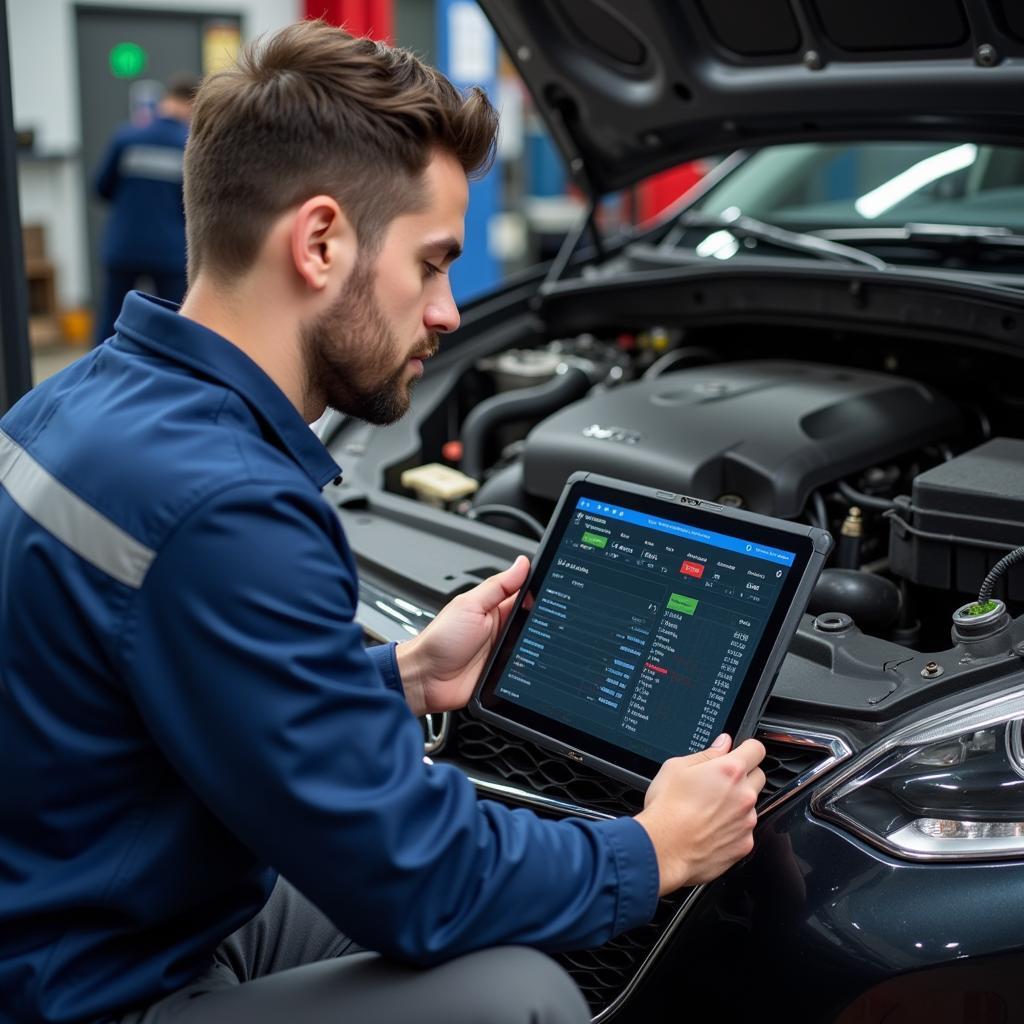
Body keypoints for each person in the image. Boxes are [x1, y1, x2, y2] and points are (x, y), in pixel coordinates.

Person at [0, 21, 766, 1024]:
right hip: (93, 992)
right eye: (433, 263)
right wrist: (652, 848)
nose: (449, 312)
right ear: (320, 242)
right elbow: (419, 878)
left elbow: (167, 670)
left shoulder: (84, 399)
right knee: (521, 990)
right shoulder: (229, 506)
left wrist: (399, 676)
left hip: (92, 907)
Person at [93, 72, 199, 345]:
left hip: (124, 246)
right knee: (173, 325)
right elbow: (194, 204)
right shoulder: (188, 145)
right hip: (169, 251)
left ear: (166, 100)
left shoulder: (126, 137)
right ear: (191, 105)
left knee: (110, 323)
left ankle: (101, 380)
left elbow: (101, 189)